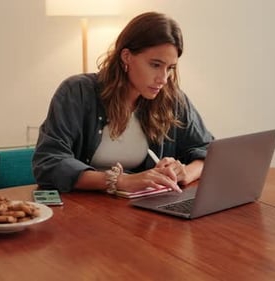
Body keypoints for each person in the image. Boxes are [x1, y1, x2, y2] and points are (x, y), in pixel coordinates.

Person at [32, 11, 214, 194]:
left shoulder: (171, 99)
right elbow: (49, 162)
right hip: (81, 209)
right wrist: (119, 181)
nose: (163, 79)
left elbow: (210, 152)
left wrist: (184, 174)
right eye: (155, 65)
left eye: (170, 68)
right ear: (126, 56)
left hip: (140, 210)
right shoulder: (77, 92)